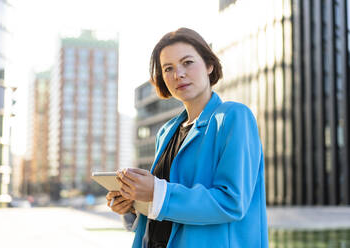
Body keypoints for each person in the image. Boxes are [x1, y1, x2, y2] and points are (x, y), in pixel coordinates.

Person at [106, 27, 268, 248]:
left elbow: (232, 202)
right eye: (168, 68)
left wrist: (156, 191)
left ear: (209, 65)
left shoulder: (234, 117)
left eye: (187, 62)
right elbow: (166, 207)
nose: (178, 74)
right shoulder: (166, 132)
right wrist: (133, 202)